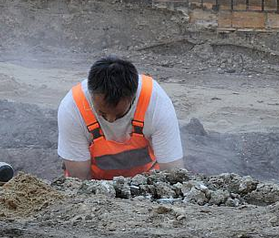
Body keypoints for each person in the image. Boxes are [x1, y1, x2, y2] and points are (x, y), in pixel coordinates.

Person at [57, 56, 185, 180]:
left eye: (119, 115)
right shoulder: (73, 107)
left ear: (133, 97)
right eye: (102, 113)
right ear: (91, 94)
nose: (111, 120)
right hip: (95, 186)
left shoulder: (155, 101)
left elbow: (172, 172)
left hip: (147, 183)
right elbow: (79, 178)